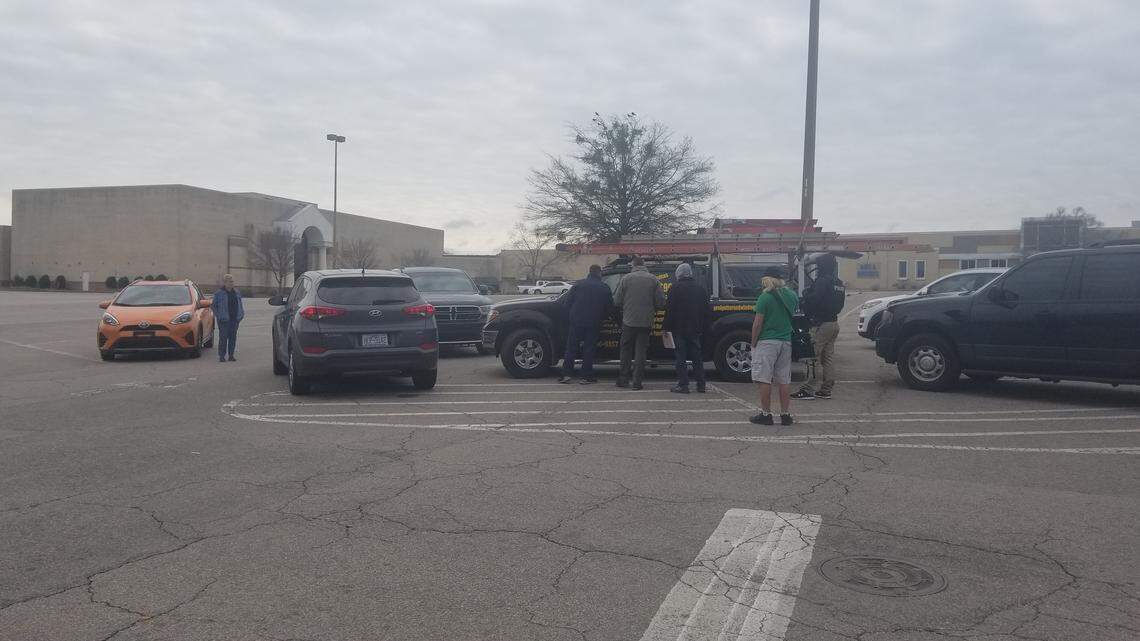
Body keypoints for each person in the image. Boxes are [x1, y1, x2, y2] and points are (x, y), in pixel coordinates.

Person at [792, 253, 845, 401]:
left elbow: (814, 300)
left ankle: (808, 390)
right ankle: (826, 389)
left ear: (822, 266)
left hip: (821, 325)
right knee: (827, 358)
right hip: (833, 323)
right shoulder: (839, 283)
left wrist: (805, 296)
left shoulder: (822, 281)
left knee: (812, 357)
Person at [749, 267, 798, 426]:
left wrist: (753, 342)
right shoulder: (791, 295)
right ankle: (785, 415)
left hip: (767, 342)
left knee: (764, 379)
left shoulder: (765, 297)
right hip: (785, 341)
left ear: (766, 280)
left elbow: (757, 323)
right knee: (784, 380)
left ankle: (766, 414)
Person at [613, 257, 666, 390]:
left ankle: (623, 379)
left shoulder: (626, 279)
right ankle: (637, 382)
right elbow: (661, 302)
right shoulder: (653, 279)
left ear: (633, 265)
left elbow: (617, 301)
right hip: (646, 321)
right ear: (644, 265)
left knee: (625, 350)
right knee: (641, 352)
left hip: (628, 321)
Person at [559, 264, 614, 385]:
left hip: (576, 321)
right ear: (599, 273)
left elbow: (567, 303)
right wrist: (606, 317)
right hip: (594, 322)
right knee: (589, 349)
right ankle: (585, 376)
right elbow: (610, 307)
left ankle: (566, 374)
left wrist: (571, 316)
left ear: (589, 272)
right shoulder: (604, 287)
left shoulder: (578, 284)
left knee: (571, 347)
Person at [661, 262, 708, 394]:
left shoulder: (674, 288)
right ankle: (701, 385)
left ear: (678, 274)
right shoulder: (700, 289)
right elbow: (706, 310)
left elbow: (669, 310)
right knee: (697, 358)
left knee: (680, 358)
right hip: (695, 328)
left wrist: (665, 327)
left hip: (679, 329)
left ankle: (683, 385)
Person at [211, 274, 244, 362]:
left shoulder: (237, 293)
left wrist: (241, 315)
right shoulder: (219, 293)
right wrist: (219, 316)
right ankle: (222, 356)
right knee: (223, 338)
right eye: (230, 281)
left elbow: (240, 304)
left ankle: (231, 355)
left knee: (233, 337)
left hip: (235, 319)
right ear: (225, 282)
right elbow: (213, 306)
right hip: (224, 320)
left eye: (232, 281)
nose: (232, 283)